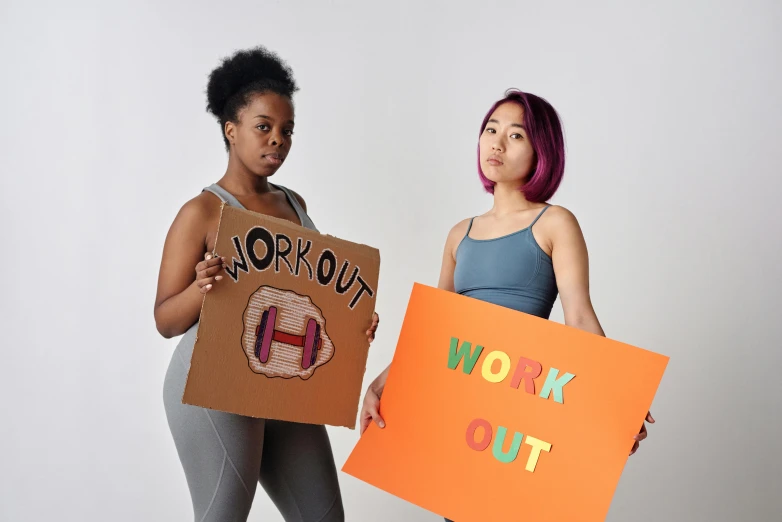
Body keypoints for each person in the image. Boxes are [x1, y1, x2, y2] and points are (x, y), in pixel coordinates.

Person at [357, 89, 653, 522]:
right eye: (490, 130)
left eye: (515, 135)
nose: (496, 142)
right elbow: (432, 330)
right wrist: (380, 385)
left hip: (521, 413)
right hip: (461, 410)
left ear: (541, 152)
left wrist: (617, 398)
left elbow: (580, 318)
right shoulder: (460, 233)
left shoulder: (555, 222)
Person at [155, 46, 379, 522]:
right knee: (223, 515)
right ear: (230, 130)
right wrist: (201, 287)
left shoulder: (293, 203)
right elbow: (164, 321)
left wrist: (353, 320)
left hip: (283, 379)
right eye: (263, 127)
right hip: (212, 381)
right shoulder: (201, 212)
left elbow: (313, 292)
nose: (276, 139)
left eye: (286, 130)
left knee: (323, 517)